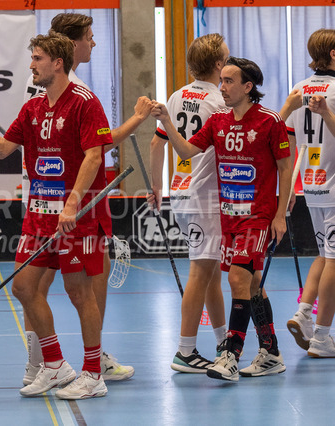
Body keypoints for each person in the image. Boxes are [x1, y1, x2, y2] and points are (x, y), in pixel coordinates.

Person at [0, 32, 112, 399]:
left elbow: (94, 155)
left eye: (37, 58)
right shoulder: (33, 107)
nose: (31, 65)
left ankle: (93, 373)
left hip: (74, 218)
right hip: (39, 215)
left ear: (57, 63)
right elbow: (2, 148)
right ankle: (55, 365)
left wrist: (72, 203)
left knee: (79, 292)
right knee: (23, 287)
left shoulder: (85, 102)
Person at [19, 13, 147, 385]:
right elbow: (98, 146)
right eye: (89, 37)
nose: (93, 43)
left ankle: (39, 364)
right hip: (74, 195)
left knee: (38, 283)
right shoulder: (71, 87)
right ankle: (90, 359)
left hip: (42, 191)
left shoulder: (40, 82)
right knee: (85, 278)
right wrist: (138, 118)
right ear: (71, 46)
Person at [152, 56, 292, 381]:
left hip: (257, 216)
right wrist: (167, 121)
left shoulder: (269, 121)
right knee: (253, 283)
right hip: (228, 216)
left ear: (248, 86)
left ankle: (230, 356)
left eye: (229, 81)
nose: (222, 86)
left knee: (237, 280)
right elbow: (186, 151)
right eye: (222, 80)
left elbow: (285, 167)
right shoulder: (217, 121)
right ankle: (271, 352)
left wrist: (280, 214)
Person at [148, 33, 229, 373]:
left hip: (181, 191)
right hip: (206, 196)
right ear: (218, 64)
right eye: (227, 59)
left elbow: (157, 144)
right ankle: (185, 350)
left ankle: (224, 342)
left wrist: (156, 187)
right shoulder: (220, 101)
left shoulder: (177, 95)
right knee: (201, 271)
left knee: (209, 272)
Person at [285, 28, 335, 357]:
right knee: (334, 260)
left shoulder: (299, 88)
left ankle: (303, 313)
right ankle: (322, 336)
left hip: (312, 185)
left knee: (325, 254)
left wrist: (290, 184)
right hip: (333, 184)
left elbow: (287, 140)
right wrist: (327, 112)